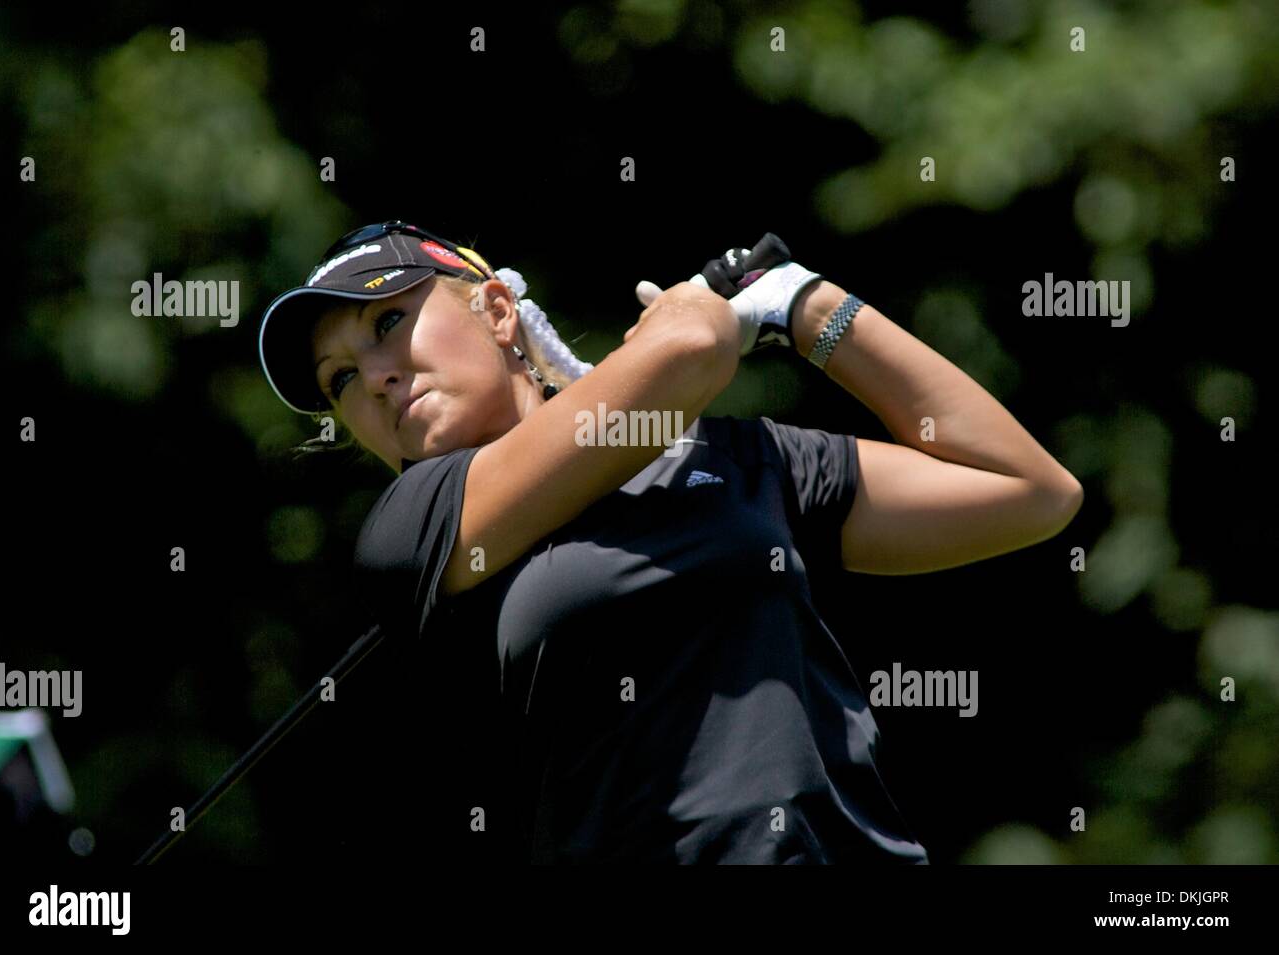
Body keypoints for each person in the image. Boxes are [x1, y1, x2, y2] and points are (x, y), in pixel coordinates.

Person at [257, 221, 1083, 864]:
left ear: (499, 310)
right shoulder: (416, 527)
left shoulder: (734, 460)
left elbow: (1028, 492)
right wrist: (690, 316)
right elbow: (689, 350)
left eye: (389, 321)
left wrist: (809, 308)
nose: (371, 377)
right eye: (338, 379)